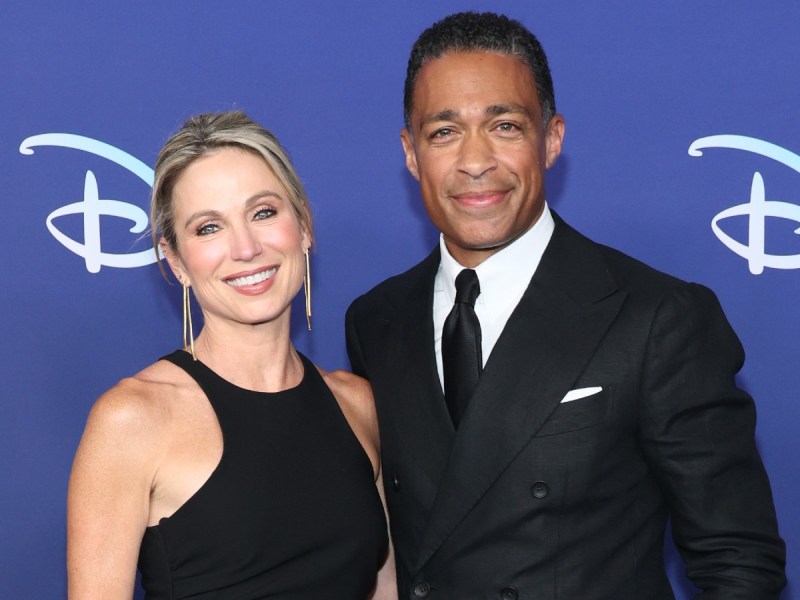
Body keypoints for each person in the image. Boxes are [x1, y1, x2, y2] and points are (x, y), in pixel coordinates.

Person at [346, 11, 786, 599]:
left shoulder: (658, 318)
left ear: (551, 139)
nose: (475, 161)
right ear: (410, 152)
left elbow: (738, 563)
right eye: (444, 132)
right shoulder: (377, 320)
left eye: (504, 126)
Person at [68, 111, 395, 599]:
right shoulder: (132, 419)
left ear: (303, 226)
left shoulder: (358, 405)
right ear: (175, 261)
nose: (245, 248)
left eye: (263, 212)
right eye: (208, 228)